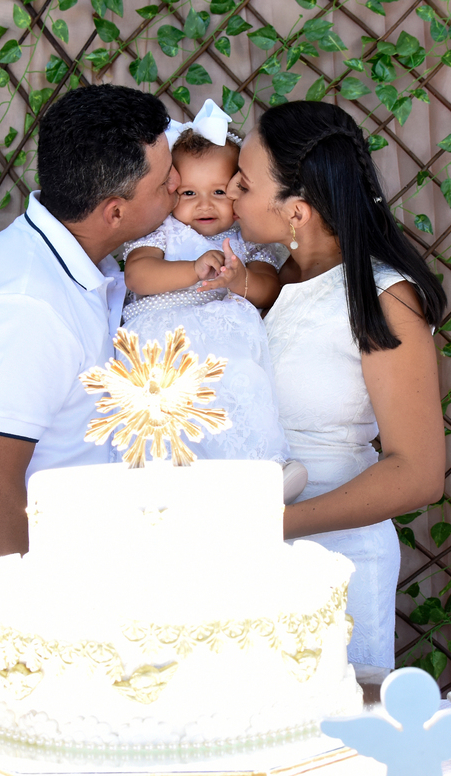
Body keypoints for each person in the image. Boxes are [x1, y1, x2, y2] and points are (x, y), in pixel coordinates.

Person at [0, 85, 178, 703]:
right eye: (165, 182)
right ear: (114, 211)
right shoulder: (27, 306)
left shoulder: (72, 260)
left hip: (68, 605)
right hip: (4, 635)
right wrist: (28, 645)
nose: (177, 186)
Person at [227, 101, 447, 683]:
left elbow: (418, 473)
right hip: (242, 557)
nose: (229, 193)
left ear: (296, 211)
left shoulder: (384, 297)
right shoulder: (261, 280)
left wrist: (270, 525)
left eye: (244, 183)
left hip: (335, 560)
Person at [122, 99, 307, 501]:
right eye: (189, 192)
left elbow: (269, 286)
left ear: (239, 193)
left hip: (223, 344)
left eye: (219, 192)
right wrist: (192, 269)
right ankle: (167, 485)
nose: (204, 204)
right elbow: (138, 274)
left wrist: (240, 279)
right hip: (161, 340)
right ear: (170, 191)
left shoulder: (245, 239)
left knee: (241, 388)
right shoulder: (163, 230)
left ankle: (261, 469)